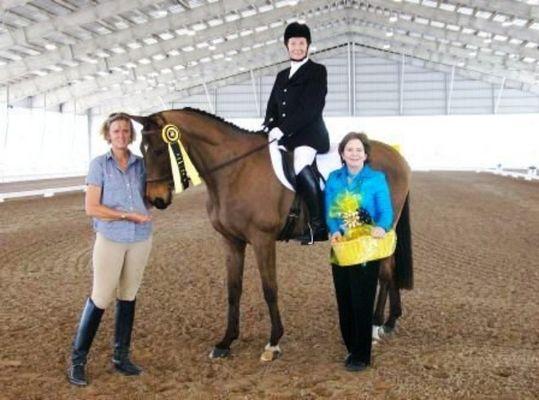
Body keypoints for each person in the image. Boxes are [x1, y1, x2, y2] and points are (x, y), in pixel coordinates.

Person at [67, 113, 153, 386]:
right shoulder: (99, 165)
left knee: (128, 296)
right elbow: (91, 208)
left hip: (141, 238)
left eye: (126, 131)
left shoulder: (142, 166)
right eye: (116, 131)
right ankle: (78, 361)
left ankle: (121, 357)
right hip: (112, 237)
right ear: (108, 134)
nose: (122, 135)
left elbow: (150, 199)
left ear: (131, 135)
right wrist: (128, 216)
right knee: (101, 297)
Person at [325, 132, 393, 372]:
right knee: (344, 299)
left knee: (362, 301)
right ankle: (351, 345)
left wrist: (381, 228)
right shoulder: (333, 179)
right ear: (342, 154)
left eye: (358, 150)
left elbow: (386, 212)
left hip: (365, 248)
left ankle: (361, 355)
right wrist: (333, 231)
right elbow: (330, 213)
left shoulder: (376, 179)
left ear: (365, 155)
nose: (354, 153)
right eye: (349, 149)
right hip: (341, 248)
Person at [263, 21, 330, 244]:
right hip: (284, 135)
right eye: (293, 43)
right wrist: (268, 125)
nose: (298, 47)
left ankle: (318, 225)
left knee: (300, 164)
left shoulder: (317, 71)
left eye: (302, 43)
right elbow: (273, 105)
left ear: (308, 45)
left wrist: (283, 129)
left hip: (309, 134)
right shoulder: (282, 75)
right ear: (287, 46)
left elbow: (311, 108)